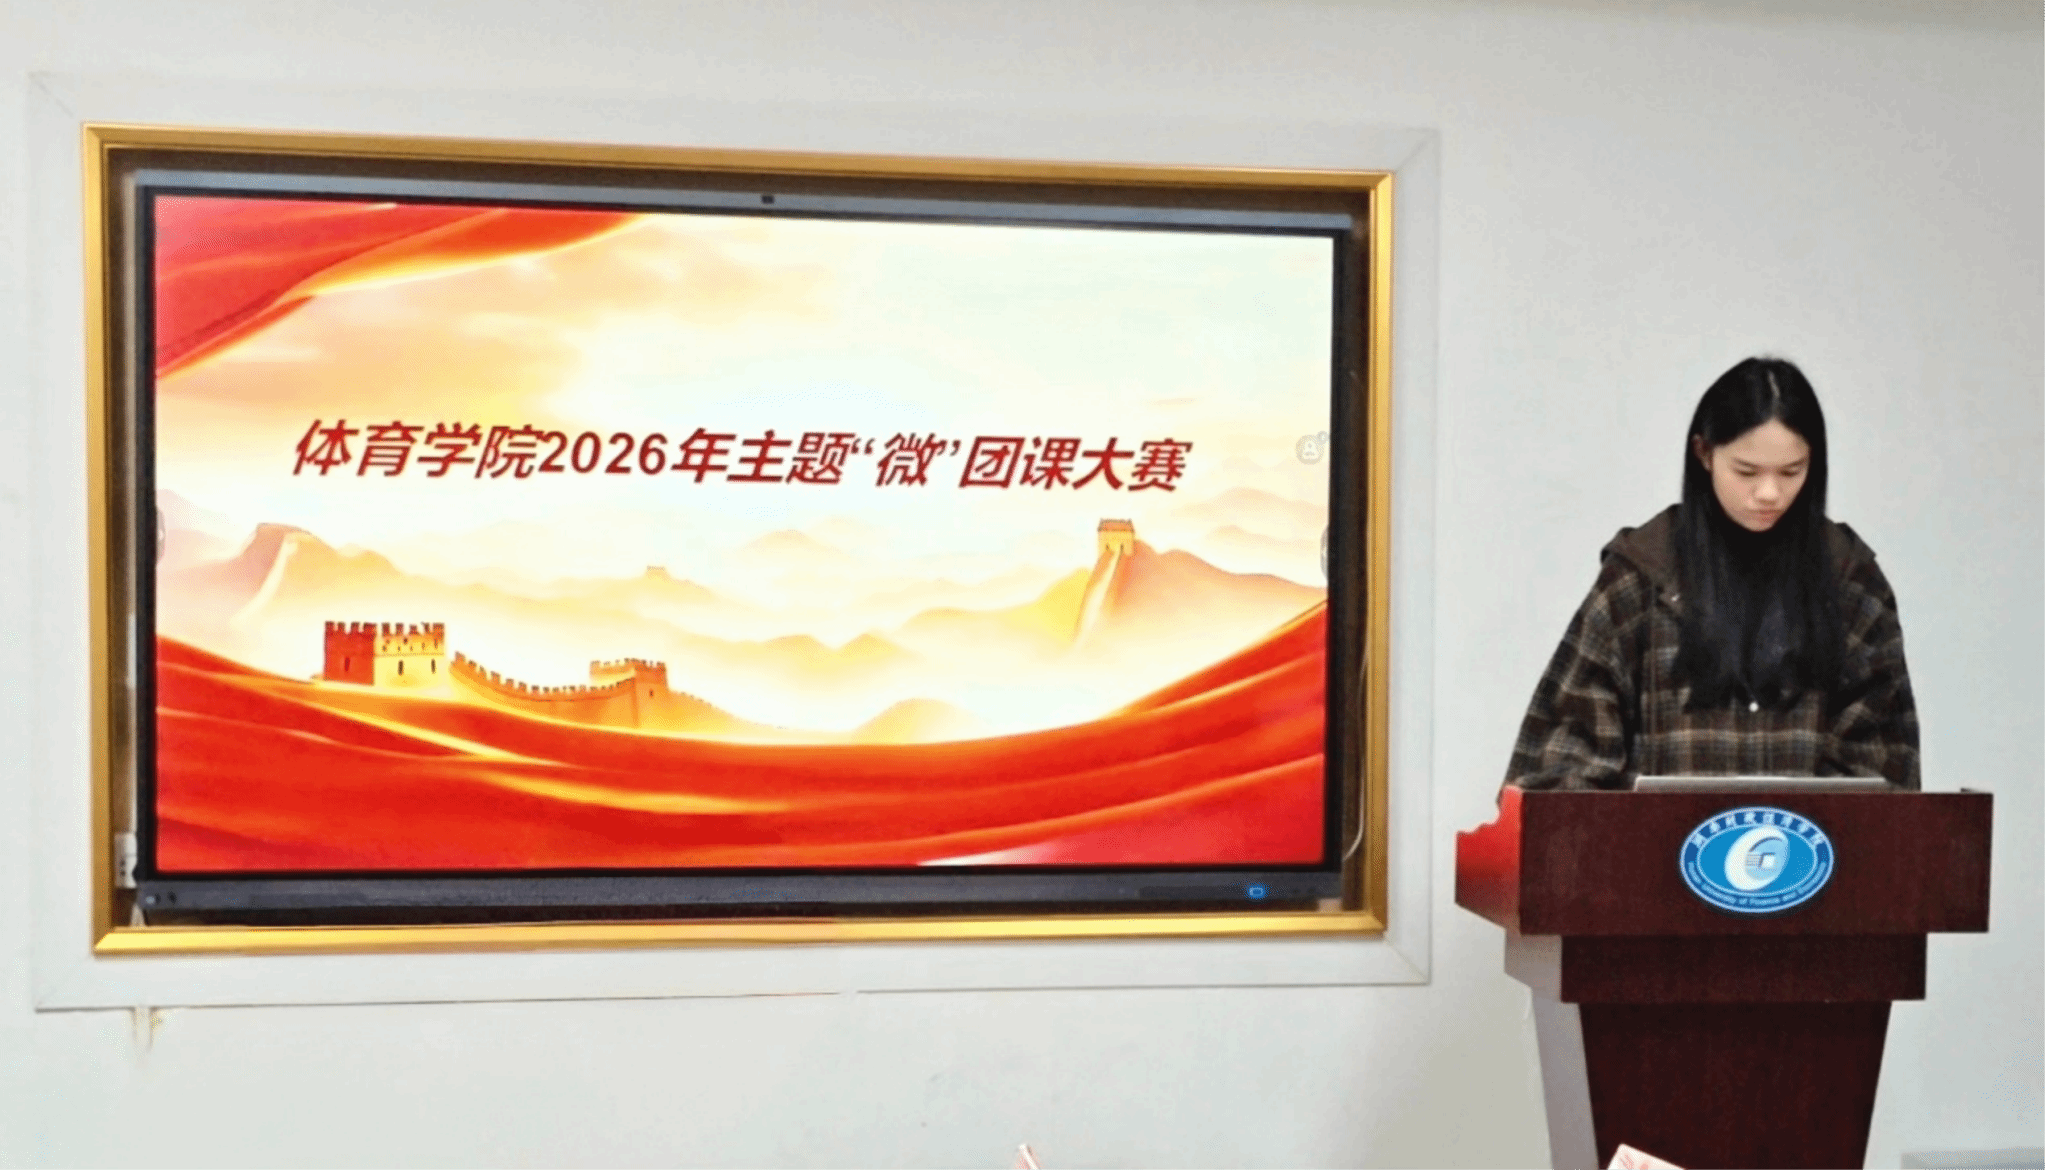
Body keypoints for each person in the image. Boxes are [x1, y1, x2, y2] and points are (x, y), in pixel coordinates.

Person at [1502, 357, 1920, 791]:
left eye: (1791, 471)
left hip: (1815, 838)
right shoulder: (1640, 576)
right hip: (1654, 838)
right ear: (1704, 453)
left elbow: (1882, 776)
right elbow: (1562, 771)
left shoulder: (1849, 581)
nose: (1769, 493)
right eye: (1746, 471)